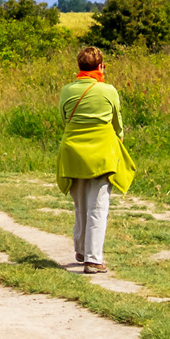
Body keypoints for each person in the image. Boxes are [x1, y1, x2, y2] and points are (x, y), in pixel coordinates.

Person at [57, 46, 138, 273]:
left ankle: (81, 250)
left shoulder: (66, 90)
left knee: (80, 203)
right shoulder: (108, 91)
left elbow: (65, 119)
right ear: (101, 66)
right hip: (102, 154)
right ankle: (93, 259)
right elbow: (117, 124)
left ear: (79, 67)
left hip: (73, 153)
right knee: (98, 206)